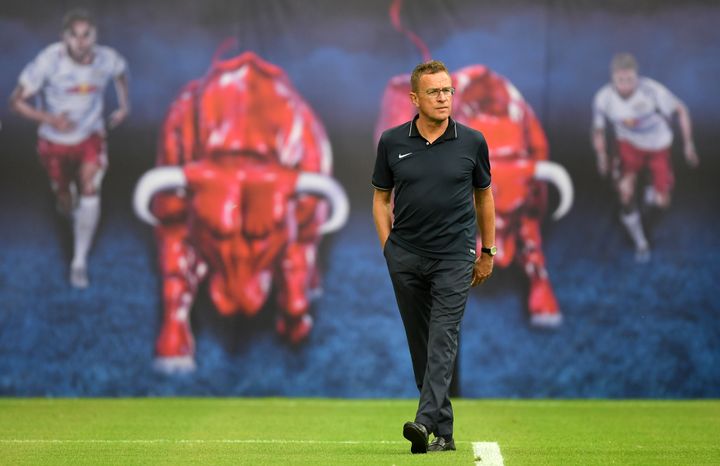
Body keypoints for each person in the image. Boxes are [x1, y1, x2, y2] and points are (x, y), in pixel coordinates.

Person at [372, 60, 495, 454]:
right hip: (405, 256)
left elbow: (484, 197)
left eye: (447, 91)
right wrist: (388, 249)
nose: (443, 99)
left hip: (454, 259)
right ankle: (444, 432)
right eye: (434, 92)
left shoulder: (472, 141)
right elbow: (379, 199)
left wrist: (487, 251)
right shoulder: (392, 142)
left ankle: (424, 422)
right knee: (421, 345)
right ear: (414, 98)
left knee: (443, 339)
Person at [10, 9, 130, 288]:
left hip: (90, 136)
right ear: (64, 37)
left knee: (90, 188)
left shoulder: (106, 58)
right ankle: (66, 198)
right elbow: (15, 102)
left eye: (86, 34)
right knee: (66, 200)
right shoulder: (48, 62)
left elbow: (121, 73)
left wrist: (124, 106)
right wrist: (50, 119)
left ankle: (79, 261)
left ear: (94, 36)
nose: (80, 41)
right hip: (54, 142)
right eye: (74, 35)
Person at [592, 53, 699, 262]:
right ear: (612, 78)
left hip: (658, 146)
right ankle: (640, 241)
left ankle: (651, 197)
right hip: (628, 146)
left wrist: (688, 144)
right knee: (625, 193)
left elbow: (681, 110)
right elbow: (598, 129)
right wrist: (601, 156)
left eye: (630, 79)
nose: (625, 85)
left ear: (637, 77)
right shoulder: (603, 98)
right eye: (620, 80)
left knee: (661, 202)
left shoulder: (652, 91)